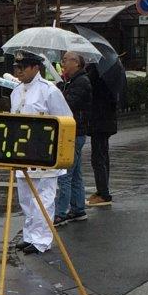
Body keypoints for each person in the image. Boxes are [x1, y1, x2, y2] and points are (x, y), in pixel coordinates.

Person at [10, 50, 72, 255]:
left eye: (22, 67)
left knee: (44, 198)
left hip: (45, 152)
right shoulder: (16, 91)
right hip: (23, 153)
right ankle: (29, 236)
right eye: (16, 67)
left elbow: (65, 120)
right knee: (26, 199)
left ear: (35, 67)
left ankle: (41, 240)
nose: (18, 71)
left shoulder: (49, 90)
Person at [54, 51, 92, 226]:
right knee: (75, 174)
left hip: (74, 133)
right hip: (74, 132)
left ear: (76, 63)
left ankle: (60, 213)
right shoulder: (73, 81)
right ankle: (78, 209)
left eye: (66, 60)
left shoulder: (81, 82)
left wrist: (60, 90)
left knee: (65, 174)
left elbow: (68, 104)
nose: (63, 63)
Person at [86, 61, 119, 206]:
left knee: (98, 158)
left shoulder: (98, 73)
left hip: (100, 121)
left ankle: (104, 193)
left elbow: (90, 89)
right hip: (105, 121)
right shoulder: (108, 72)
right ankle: (102, 190)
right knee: (102, 155)